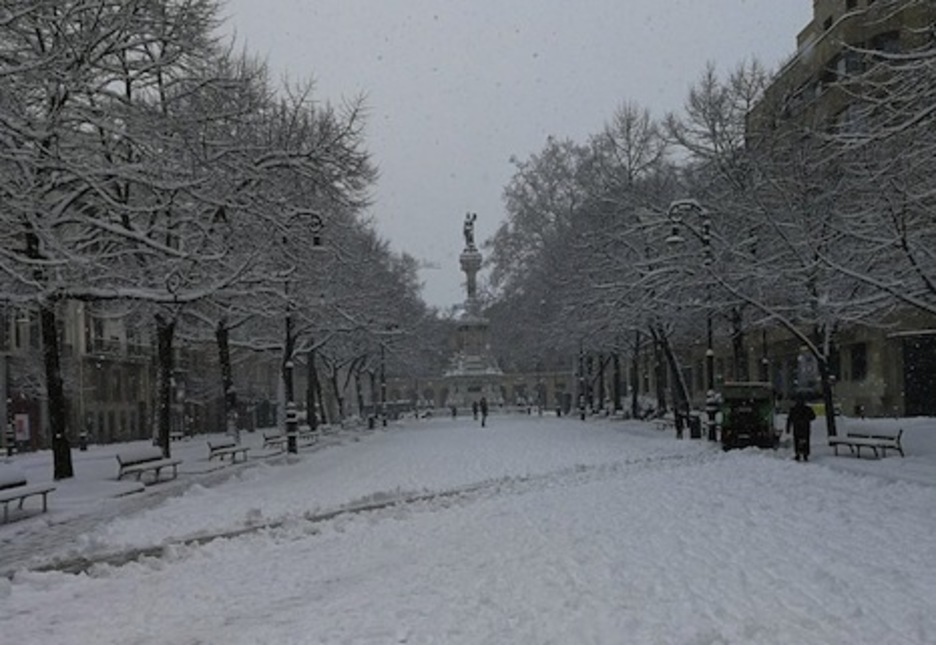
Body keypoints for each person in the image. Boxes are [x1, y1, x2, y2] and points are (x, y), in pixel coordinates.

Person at [786, 395, 816, 461]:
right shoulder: (808, 409)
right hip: (805, 427)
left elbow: (789, 419)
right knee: (806, 440)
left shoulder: (793, 409)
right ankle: (805, 454)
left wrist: (788, 428)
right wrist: (807, 419)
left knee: (797, 440)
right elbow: (813, 417)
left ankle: (798, 454)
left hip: (797, 427)